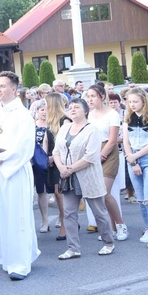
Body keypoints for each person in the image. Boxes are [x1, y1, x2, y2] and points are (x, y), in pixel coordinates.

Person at [0, 71, 40, 280]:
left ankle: (21, 264)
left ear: (14, 89)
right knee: (4, 216)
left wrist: (2, 158)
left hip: (15, 170)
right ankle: (9, 258)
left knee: (18, 216)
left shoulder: (23, 114)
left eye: (2, 86)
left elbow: (24, 146)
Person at [53, 98, 116, 258]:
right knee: (69, 213)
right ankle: (73, 248)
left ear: (85, 111)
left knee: (99, 212)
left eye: (77, 107)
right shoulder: (64, 128)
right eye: (70, 107)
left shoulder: (92, 130)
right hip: (67, 177)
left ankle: (108, 243)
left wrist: (70, 168)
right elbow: (56, 151)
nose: (72, 109)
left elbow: (91, 156)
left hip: (87, 176)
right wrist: (61, 167)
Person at [86, 84, 128, 240]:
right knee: (98, 194)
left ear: (102, 97)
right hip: (92, 152)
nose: (89, 99)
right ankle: (110, 228)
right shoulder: (89, 115)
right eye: (88, 96)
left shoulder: (112, 114)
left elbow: (112, 140)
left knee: (104, 192)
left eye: (93, 96)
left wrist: (102, 155)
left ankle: (121, 225)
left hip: (108, 153)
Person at [123, 88, 148, 248]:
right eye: (130, 101)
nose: (132, 104)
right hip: (132, 159)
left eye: (135, 101)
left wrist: (135, 156)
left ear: (143, 101)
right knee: (140, 198)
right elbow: (126, 142)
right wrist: (132, 161)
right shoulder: (127, 119)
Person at [46, 93, 71, 240]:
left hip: (62, 160)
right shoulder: (50, 121)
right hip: (52, 160)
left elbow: (68, 144)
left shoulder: (65, 121)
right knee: (56, 193)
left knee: (61, 193)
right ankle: (65, 219)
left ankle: (66, 224)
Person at [33, 100, 51, 233]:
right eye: (41, 110)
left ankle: (62, 218)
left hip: (51, 160)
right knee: (41, 191)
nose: (44, 112)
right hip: (36, 162)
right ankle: (45, 220)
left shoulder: (52, 125)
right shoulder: (31, 125)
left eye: (46, 109)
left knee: (57, 192)